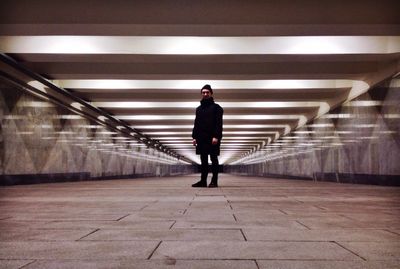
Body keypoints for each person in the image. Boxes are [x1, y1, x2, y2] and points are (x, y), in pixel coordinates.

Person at [191, 84, 223, 188]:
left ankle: (214, 181)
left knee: (214, 159)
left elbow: (219, 123)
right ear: (201, 94)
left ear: (211, 93)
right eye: (203, 92)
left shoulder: (217, 108)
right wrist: (194, 137)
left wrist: (216, 136)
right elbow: (196, 123)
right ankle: (203, 181)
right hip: (201, 138)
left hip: (212, 137)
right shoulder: (198, 109)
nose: (205, 94)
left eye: (207, 92)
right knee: (203, 160)